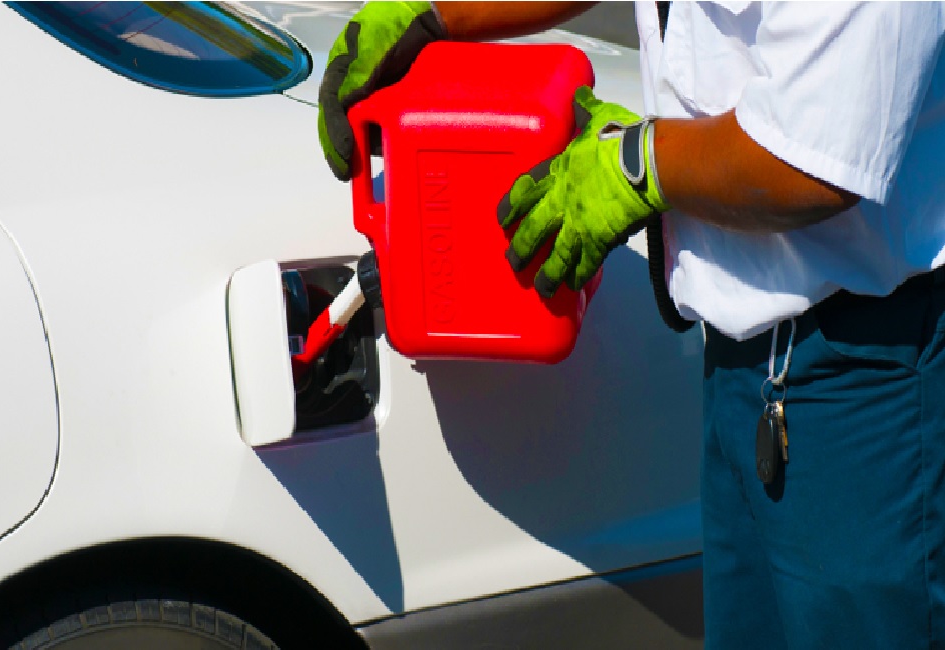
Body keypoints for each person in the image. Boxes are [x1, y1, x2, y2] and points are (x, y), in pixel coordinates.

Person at [317, 2, 945, 648]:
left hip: (864, 385)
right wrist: (436, 15)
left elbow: (813, 154)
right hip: (743, 367)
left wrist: (636, 164)